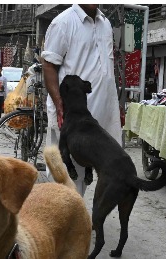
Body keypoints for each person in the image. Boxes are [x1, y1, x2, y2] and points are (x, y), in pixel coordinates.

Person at [41, 4, 122, 196]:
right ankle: (59, 220)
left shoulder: (106, 24)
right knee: (64, 170)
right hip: (72, 115)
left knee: (87, 168)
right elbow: (49, 65)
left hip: (98, 114)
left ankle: (75, 218)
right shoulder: (63, 22)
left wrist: (117, 106)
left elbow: (108, 70)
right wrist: (60, 104)